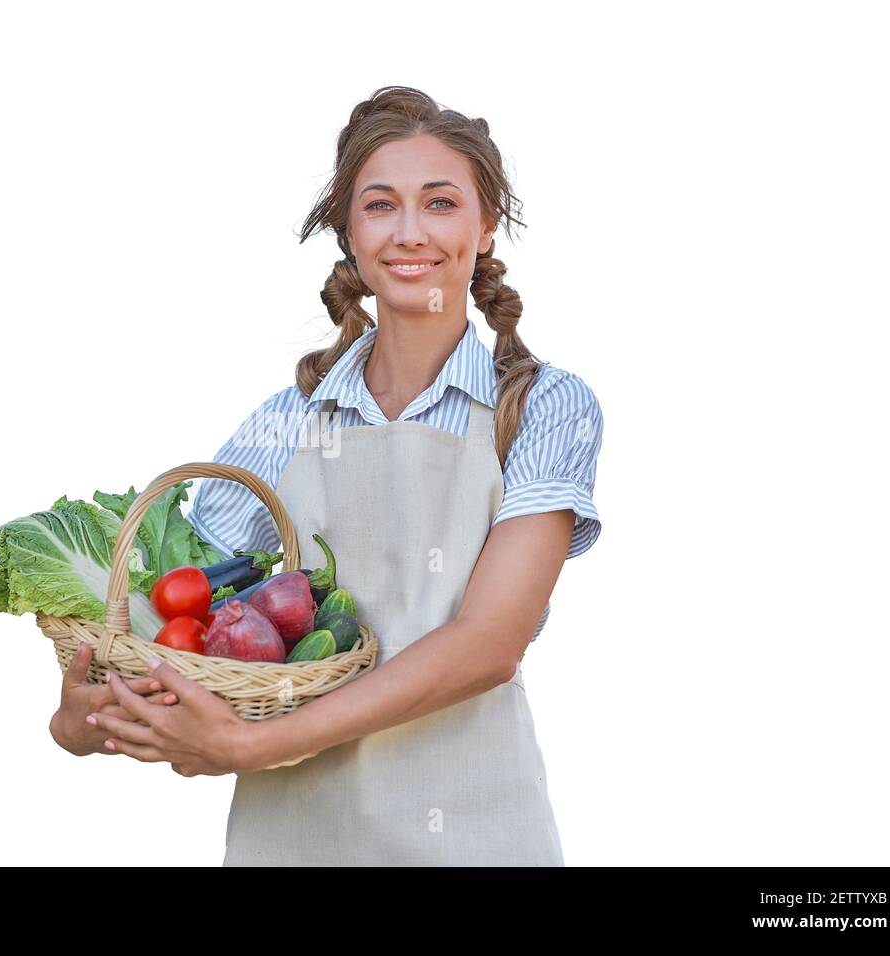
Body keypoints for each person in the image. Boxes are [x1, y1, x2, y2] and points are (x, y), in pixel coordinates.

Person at [52, 85, 604, 866]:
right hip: (294, 838)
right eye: (380, 206)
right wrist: (89, 717)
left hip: (476, 834)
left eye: (441, 204)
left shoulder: (541, 407)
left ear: (485, 231)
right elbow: (183, 619)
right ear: (348, 231)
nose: (410, 233)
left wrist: (253, 746)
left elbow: (489, 644)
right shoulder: (287, 418)